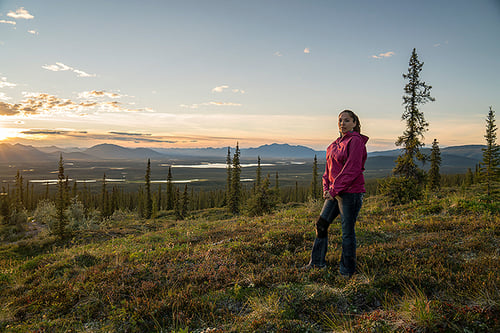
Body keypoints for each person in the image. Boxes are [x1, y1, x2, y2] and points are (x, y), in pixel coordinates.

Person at [305, 110, 368, 277]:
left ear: (355, 123)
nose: (342, 123)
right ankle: (317, 263)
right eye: (340, 120)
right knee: (321, 224)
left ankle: (347, 271)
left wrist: (333, 190)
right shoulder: (333, 145)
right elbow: (328, 170)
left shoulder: (356, 141)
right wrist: (326, 188)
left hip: (351, 193)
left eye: (347, 120)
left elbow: (352, 169)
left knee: (347, 231)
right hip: (334, 193)